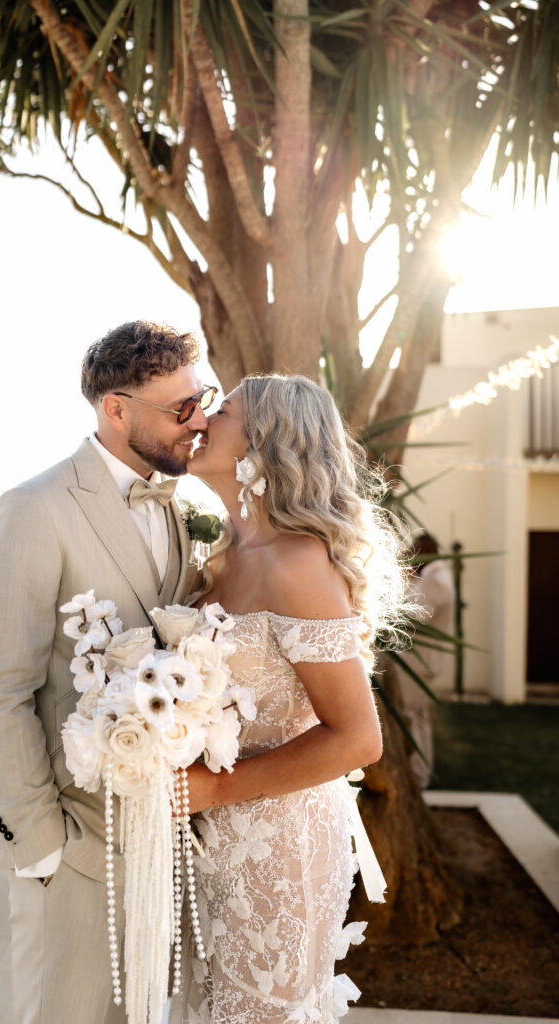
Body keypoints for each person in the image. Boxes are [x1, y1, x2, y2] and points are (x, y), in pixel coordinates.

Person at [0, 321, 214, 1024]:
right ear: (116, 409)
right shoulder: (33, 508)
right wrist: (43, 848)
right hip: (72, 850)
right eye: (180, 409)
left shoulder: (185, 510)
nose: (198, 422)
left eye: (203, 399)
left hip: (161, 843)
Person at [170, 375, 405, 1024]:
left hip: (275, 844)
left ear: (263, 442)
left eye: (220, 410)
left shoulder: (298, 562)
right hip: (210, 838)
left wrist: (215, 791)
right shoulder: (222, 556)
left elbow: (358, 737)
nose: (198, 419)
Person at [394, 531, 455, 789]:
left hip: (417, 663)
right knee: (417, 717)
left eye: (414, 550)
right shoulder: (435, 576)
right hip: (420, 662)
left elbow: (412, 618)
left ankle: (418, 777)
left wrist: (405, 580)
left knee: (413, 718)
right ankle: (419, 774)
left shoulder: (435, 581)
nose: (410, 554)